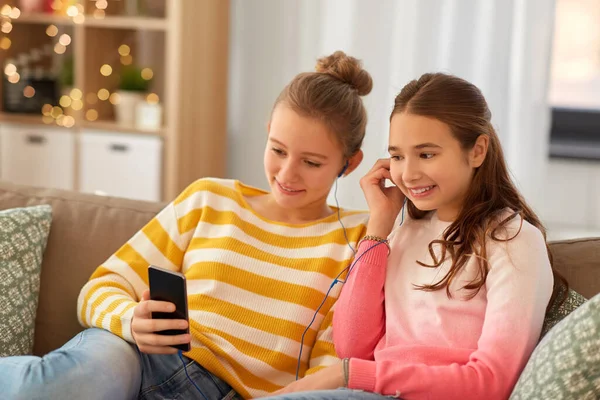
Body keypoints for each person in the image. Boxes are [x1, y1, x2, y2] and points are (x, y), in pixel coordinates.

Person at [0, 51, 373, 400]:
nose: (287, 173)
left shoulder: (357, 241)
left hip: (222, 393)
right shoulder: (209, 199)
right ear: (267, 131)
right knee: (46, 386)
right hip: (133, 355)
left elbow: (328, 372)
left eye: (311, 162)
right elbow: (100, 288)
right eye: (277, 150)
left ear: (349, 163)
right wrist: (132, 320)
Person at [261, 73, 566, 400]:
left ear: (477, 151)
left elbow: (492, 382)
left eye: (426, 154)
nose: (407, 174)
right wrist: (378, 228)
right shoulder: (403, 234)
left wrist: (351, 374)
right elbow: (352, 345)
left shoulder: (513, 240)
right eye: (397, 156)